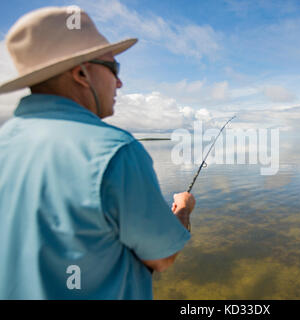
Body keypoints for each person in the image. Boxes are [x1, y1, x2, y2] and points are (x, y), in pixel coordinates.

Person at [0, 6, 195, 299]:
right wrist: (182, 210)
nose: (119, 82)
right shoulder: (116, 151)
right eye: (114, 69)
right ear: (81, 73)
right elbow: (163, 257)